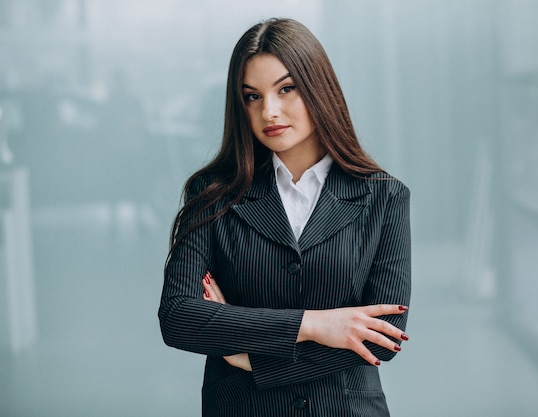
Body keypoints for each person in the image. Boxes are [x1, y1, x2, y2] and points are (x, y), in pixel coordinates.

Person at [158, 18, 411, 417]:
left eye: (286, 89)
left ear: (318, 88)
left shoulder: (384, 196)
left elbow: (383, 338)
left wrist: (251, 357)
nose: (269, 111)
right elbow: (178, 317)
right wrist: (311, 325)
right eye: (252, 97)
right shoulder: (212, 194)